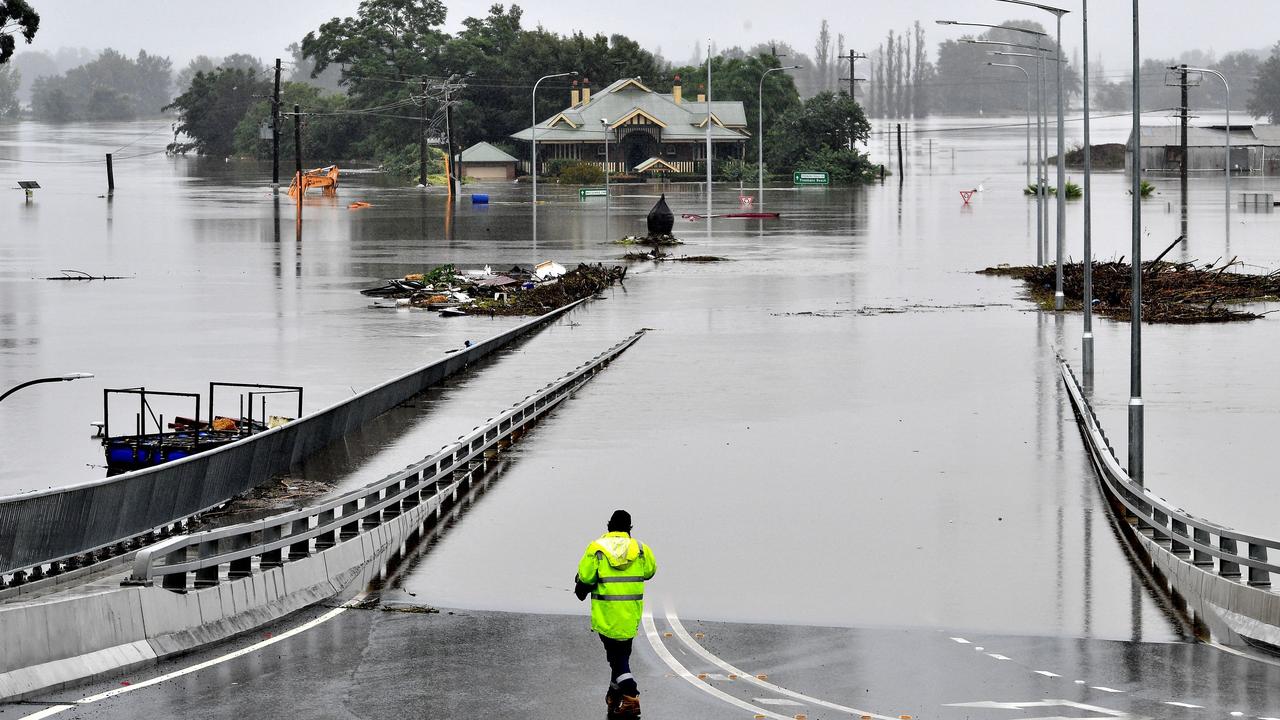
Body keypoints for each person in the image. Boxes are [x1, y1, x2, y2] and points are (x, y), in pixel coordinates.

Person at [575, 510, 657, 718]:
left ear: (609, 526)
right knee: (620, 658)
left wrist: (580, 589)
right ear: (630, 528)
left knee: (617, 659)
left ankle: (630, 694)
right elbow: (650, 571)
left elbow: (585, 577)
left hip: (607, 615)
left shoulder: (597, 548)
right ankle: (614, 694)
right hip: (630, 615)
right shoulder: (640, 549)